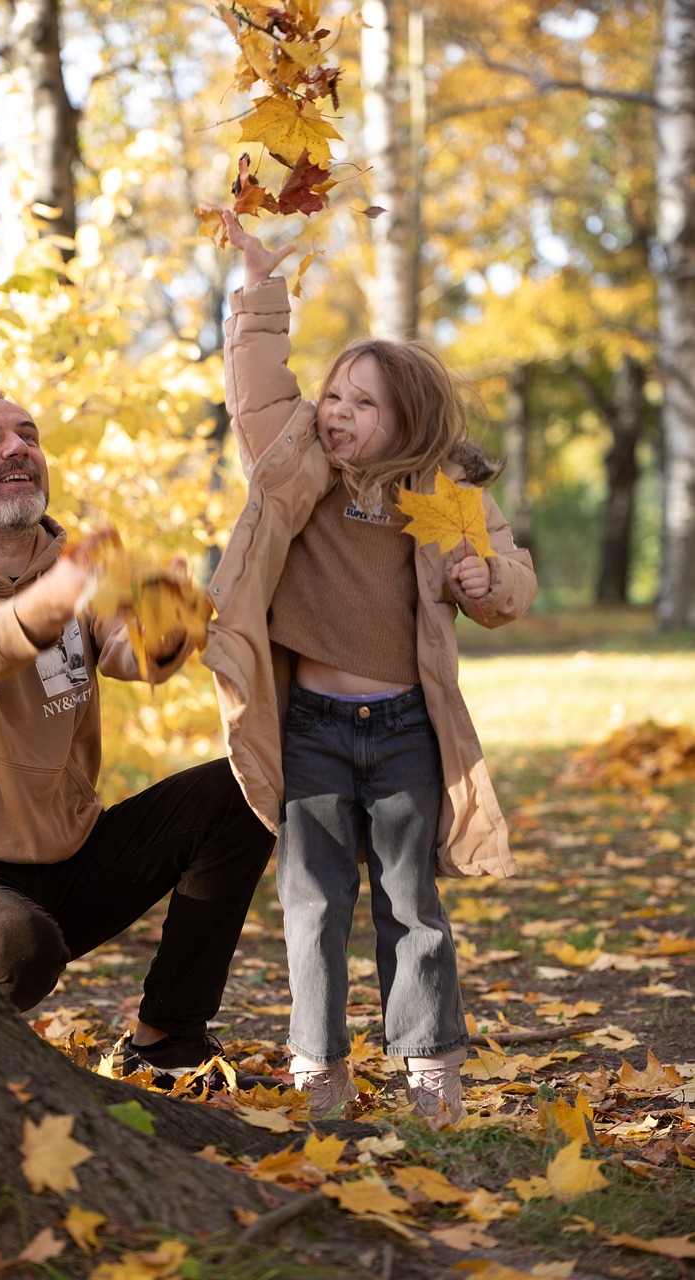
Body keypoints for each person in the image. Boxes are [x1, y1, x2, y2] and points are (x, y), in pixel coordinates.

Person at [201, 213, 538, 1120]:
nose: (335, 412)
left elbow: (510, 585)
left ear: (407, 424)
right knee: (312, 907)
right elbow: (258, 387)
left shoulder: (449, 493)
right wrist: (260, 294)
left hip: (403, 735)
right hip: (308, 728)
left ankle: (428, 1064)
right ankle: (319, 1066)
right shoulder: (293, 463)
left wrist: (484, 577)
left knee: (411, 908)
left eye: (360, 402)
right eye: (334, 395)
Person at [0, 386, 275, 1088]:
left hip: (69, 855)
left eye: (27, 434)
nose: (17, 446)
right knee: (17, 947)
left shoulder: (74, 564)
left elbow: (130, 652)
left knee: (245, 789)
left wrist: (168, 621)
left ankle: (166, 1039)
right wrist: (55, 600)